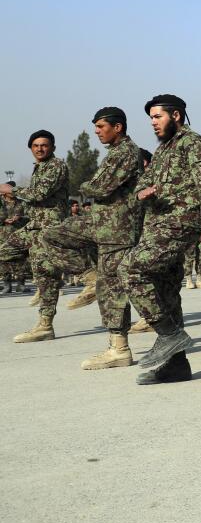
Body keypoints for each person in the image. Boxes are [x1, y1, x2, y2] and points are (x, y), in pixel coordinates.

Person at [122, 95, 201, 385]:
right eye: (151, 118)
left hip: (179, 223)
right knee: (165, 292)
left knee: (131, 269)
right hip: (157, 225)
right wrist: (142, 192)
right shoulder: (163, 148)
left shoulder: (194, 142)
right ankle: (177, 366)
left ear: (176, 115)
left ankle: (169, 334)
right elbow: (143, 180)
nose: (153, 123)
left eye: (157, 117)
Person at [39, 107, 144, 368]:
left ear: (117, 127)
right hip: (100, 222)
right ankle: (89, 276)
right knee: (51, 235)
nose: (97, 132)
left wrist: (86, 185)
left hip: (117, 230)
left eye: (101, 127)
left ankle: (119, 349)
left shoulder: (127, 153)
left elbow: (101, 186)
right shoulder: (115, 154)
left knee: (113, 288)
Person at [2, 130, 69, 342]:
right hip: (34, 227)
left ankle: (45, 325)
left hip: (48, 228)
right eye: (35, 146)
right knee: (6, 251)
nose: (40, 149)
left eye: (44, 145)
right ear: (31, 148)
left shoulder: (56, 166)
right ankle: (44, 282)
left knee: (46, 274)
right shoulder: (39, 168)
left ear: (53, 148)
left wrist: (10, 190)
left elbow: (39, 193)